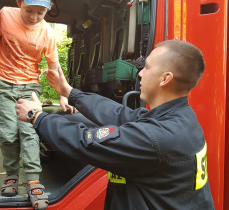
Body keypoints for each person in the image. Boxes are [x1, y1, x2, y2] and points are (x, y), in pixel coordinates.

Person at [15, 40, 215, 209]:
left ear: (165, 78)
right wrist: (70, 92)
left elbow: (85, 142)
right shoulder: (180, 117)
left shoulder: (157, 138)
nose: (140, 74)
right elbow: (119, 114)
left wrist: (36, 116)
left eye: (147, 68)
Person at [0, 0, 73, 209]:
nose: (33, 17)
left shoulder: (47, 34)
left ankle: (33, 180)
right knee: (8, 133)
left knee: (29, 131)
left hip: (29, 86)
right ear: (19, 3)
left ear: (49, 8)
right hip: (2, 82)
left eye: (40, 13)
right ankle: (11, 176)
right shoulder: (5, 14)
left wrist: (64, 93)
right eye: (29, 10)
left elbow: (54, 65)